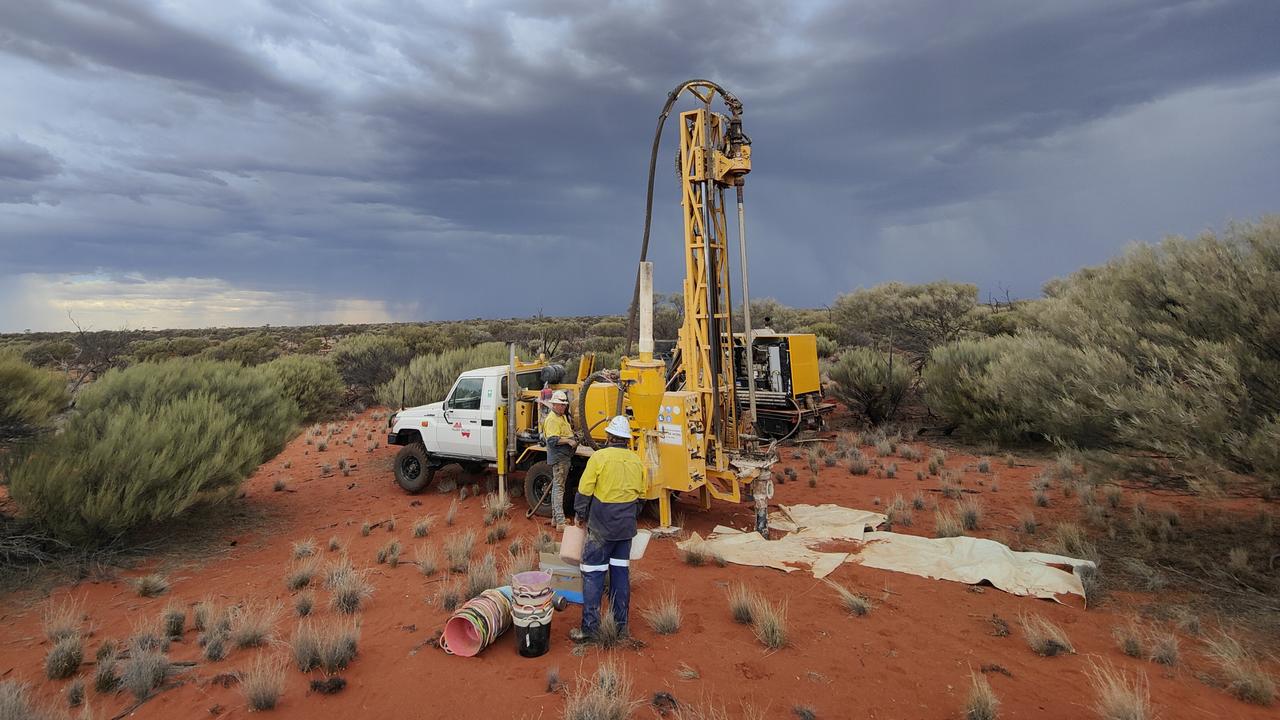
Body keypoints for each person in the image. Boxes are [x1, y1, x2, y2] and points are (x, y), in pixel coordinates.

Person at [569, 415, 646, 643]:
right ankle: (620, 628)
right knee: (620, 576)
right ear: (626, 439)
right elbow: (641, 497)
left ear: (610, 437)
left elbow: (584, 491)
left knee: (593, 575)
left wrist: (580, 517)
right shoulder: (636, 461)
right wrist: (629, 517)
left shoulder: (599, 458)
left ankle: (590, 630)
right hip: (625, 530)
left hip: (601, 528)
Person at [540, 390, 577, 530]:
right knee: (559, 489)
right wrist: (569, 441)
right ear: (554, 405)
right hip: (559, 458)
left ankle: (556, 519)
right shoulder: (552, 419)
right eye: (560, 405)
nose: (563, 407)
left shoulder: (561, 417)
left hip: (564, 457)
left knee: (557, 487)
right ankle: (560, 522)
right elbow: (552, 440)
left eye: (564, 405)